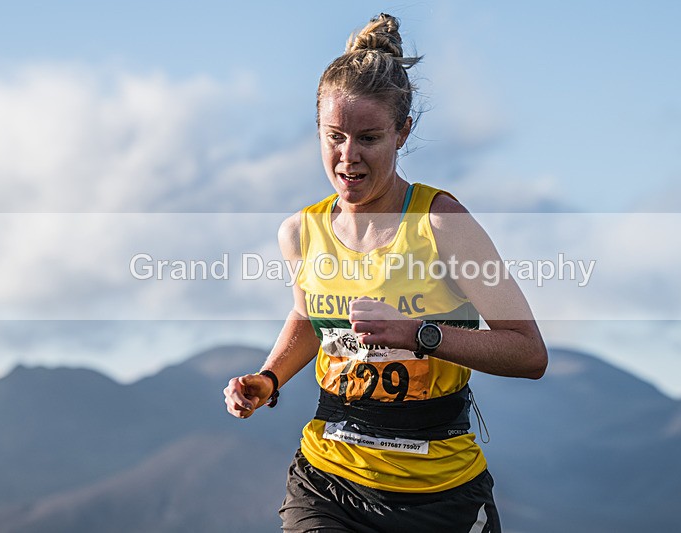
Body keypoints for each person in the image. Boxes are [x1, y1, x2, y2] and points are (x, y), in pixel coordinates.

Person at [224, 13, 547, 533]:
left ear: (403, 133)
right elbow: (311, 319)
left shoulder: (441, 223)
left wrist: (421, 335)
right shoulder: (301, 233)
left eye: (368, 138)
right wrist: (269, 377)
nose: (347, 157)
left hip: (439, 494)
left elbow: (529, 353)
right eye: (334, 137)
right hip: (329, 479)